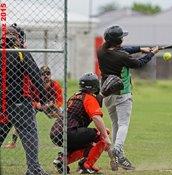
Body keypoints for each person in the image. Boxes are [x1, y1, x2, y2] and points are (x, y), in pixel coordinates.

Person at [97, 25, 159, 170]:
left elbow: (124, 50)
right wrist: (152, 53)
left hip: (106, 93)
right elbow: (139, 63)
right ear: (118, 40)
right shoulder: (122, 56)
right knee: (123, 124)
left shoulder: (101, 51)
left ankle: (119, 156)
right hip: (122, 92)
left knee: (115, 124)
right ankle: (117, 149)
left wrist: (140, 48)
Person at [0, 23, 50, 175]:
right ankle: (34, 169)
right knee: (29, 132)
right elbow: (35, 74)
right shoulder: (21, 52)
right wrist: (44, 97)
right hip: (19, 101)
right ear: (18, 39)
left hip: (2, 103)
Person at [50, 72, 111, 174]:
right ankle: (87, 166)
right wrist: (106, 137)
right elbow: (96, 117)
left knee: (88, 140)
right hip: (69, 132)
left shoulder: (75, 96)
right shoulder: (89, 98)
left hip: (56, 133)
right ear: (95, 86)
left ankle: (62, 160)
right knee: (101, 135)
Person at [3, 65, 63, 149]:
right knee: (21, 118)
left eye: (48, 73)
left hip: (50, 105)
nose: (46, 76)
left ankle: (61, 138)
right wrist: (35, 104)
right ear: (39, 75)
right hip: (35, 105)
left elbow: (60, 100)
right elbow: (27, 97)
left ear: (51, 75)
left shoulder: (55, 85)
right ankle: (13, 142)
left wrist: (54, 106)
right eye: (43, 74)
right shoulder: (34, 83)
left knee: (64, 115)